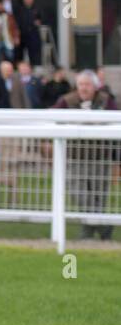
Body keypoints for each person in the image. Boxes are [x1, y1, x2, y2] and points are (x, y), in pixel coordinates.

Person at [51, 70, 117, 239]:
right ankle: (104, 227)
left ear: (95, 86)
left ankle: (87, 234)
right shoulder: (66, 101)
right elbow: (51, 117)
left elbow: (116, 124)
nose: (83, 88)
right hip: (75, 157)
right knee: (78, 193)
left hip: (100, 158)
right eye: (81, 84)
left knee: (98, 197)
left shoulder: (106, 101)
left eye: (87, 84)